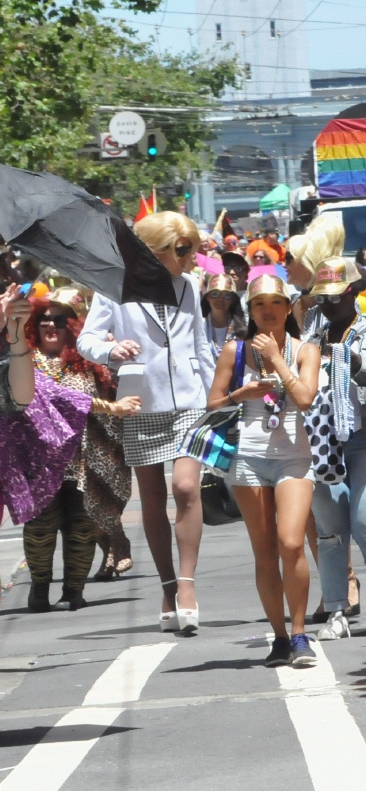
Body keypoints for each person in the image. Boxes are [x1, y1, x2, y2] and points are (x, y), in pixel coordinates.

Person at [78, 211, 219, 635]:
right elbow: (87, 339)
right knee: (153, 501)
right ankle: (168, 585)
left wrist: (220, 400)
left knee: (186, 487)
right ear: (155, 251)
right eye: (182, 250)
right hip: (140, 404)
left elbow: (201, 346)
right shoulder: (114, 289)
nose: (191, 257)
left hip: (191, 401)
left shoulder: (190, 286)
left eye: (191, 248)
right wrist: (111, 349)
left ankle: (189, 584)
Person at [208, 275, 323, 669]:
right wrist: (241, 395)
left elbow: (306, 399)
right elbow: (212, 405)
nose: (268, 310)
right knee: (265, 551)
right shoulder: (234, 351)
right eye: (259, 304)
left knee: (292, 542)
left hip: (294, 457)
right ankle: (278, 637)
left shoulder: (306, 349)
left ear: (289, 307)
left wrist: (277, 360)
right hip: (249, 458)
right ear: (250, 311)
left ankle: (300, 632)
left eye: (275, 302)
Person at [2, 288, 141, 611]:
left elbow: (123, 389)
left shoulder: (91, 364)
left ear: (73, 327)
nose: (51, 325)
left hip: (84, 463)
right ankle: (39, 588)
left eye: (59, 320)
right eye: (44, 320)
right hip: (39, 465)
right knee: (41, 528)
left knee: (80, 527)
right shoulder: (23, 360)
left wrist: (117, 350)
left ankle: (74, 589)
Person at [304, 258, 366, 640]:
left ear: (352, 292)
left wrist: (358, 362)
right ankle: (336, 612)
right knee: (329, 530)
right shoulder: (308, 337)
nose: (326, 305)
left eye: (333, 296)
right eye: (320, 298)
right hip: (322, 438)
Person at [203, 274, 245, 351]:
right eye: (215, 294)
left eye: (227, 295)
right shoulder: (199, 325)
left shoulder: (241, 327)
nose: (220, 299)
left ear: (233, 299)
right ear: (207, 297)